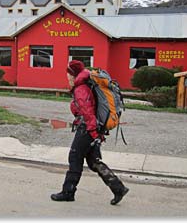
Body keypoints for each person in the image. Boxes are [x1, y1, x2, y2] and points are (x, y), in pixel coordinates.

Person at [51, 60, 129, 205]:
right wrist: (97, 133)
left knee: (75, 157)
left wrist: (94, 133)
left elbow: (88, 113)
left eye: (68, 75)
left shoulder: (81, 89)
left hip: (87, 128)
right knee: (93, 161)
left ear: (73, 75)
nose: (67, 78)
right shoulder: (85, 85)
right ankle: (118, 188)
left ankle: (68, 192)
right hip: (94, 128)